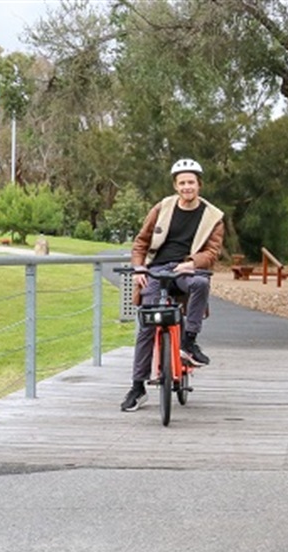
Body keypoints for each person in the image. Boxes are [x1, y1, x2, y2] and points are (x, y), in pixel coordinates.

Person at [120, 158, 225, 412]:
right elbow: (141, 242)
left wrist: (192, 263)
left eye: (191, 182)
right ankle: (137, 387)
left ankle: (189, 341)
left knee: (201, 283)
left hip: (186, 269)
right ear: (175, 186)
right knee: (147, 324)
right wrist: (139, 268)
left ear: (199, 185)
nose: (187, 187)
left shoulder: (213, 217)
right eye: (182, 183)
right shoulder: (162, 208)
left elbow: (213, 252)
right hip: (156, 270)